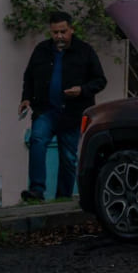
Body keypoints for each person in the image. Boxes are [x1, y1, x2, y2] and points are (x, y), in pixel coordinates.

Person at [19, 11, 106, 202]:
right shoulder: (41, 50)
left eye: (63, 31)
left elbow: (100, 80)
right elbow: (29, 76)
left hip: (73, 113)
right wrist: (26, 99)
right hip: (46, 110)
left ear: (72, 30)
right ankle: (36, 190)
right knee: (37, 141)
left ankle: (63, 197)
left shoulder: (85, 51)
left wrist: (82, 90)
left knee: (68, 157)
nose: (59, 36)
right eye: (55, 32)